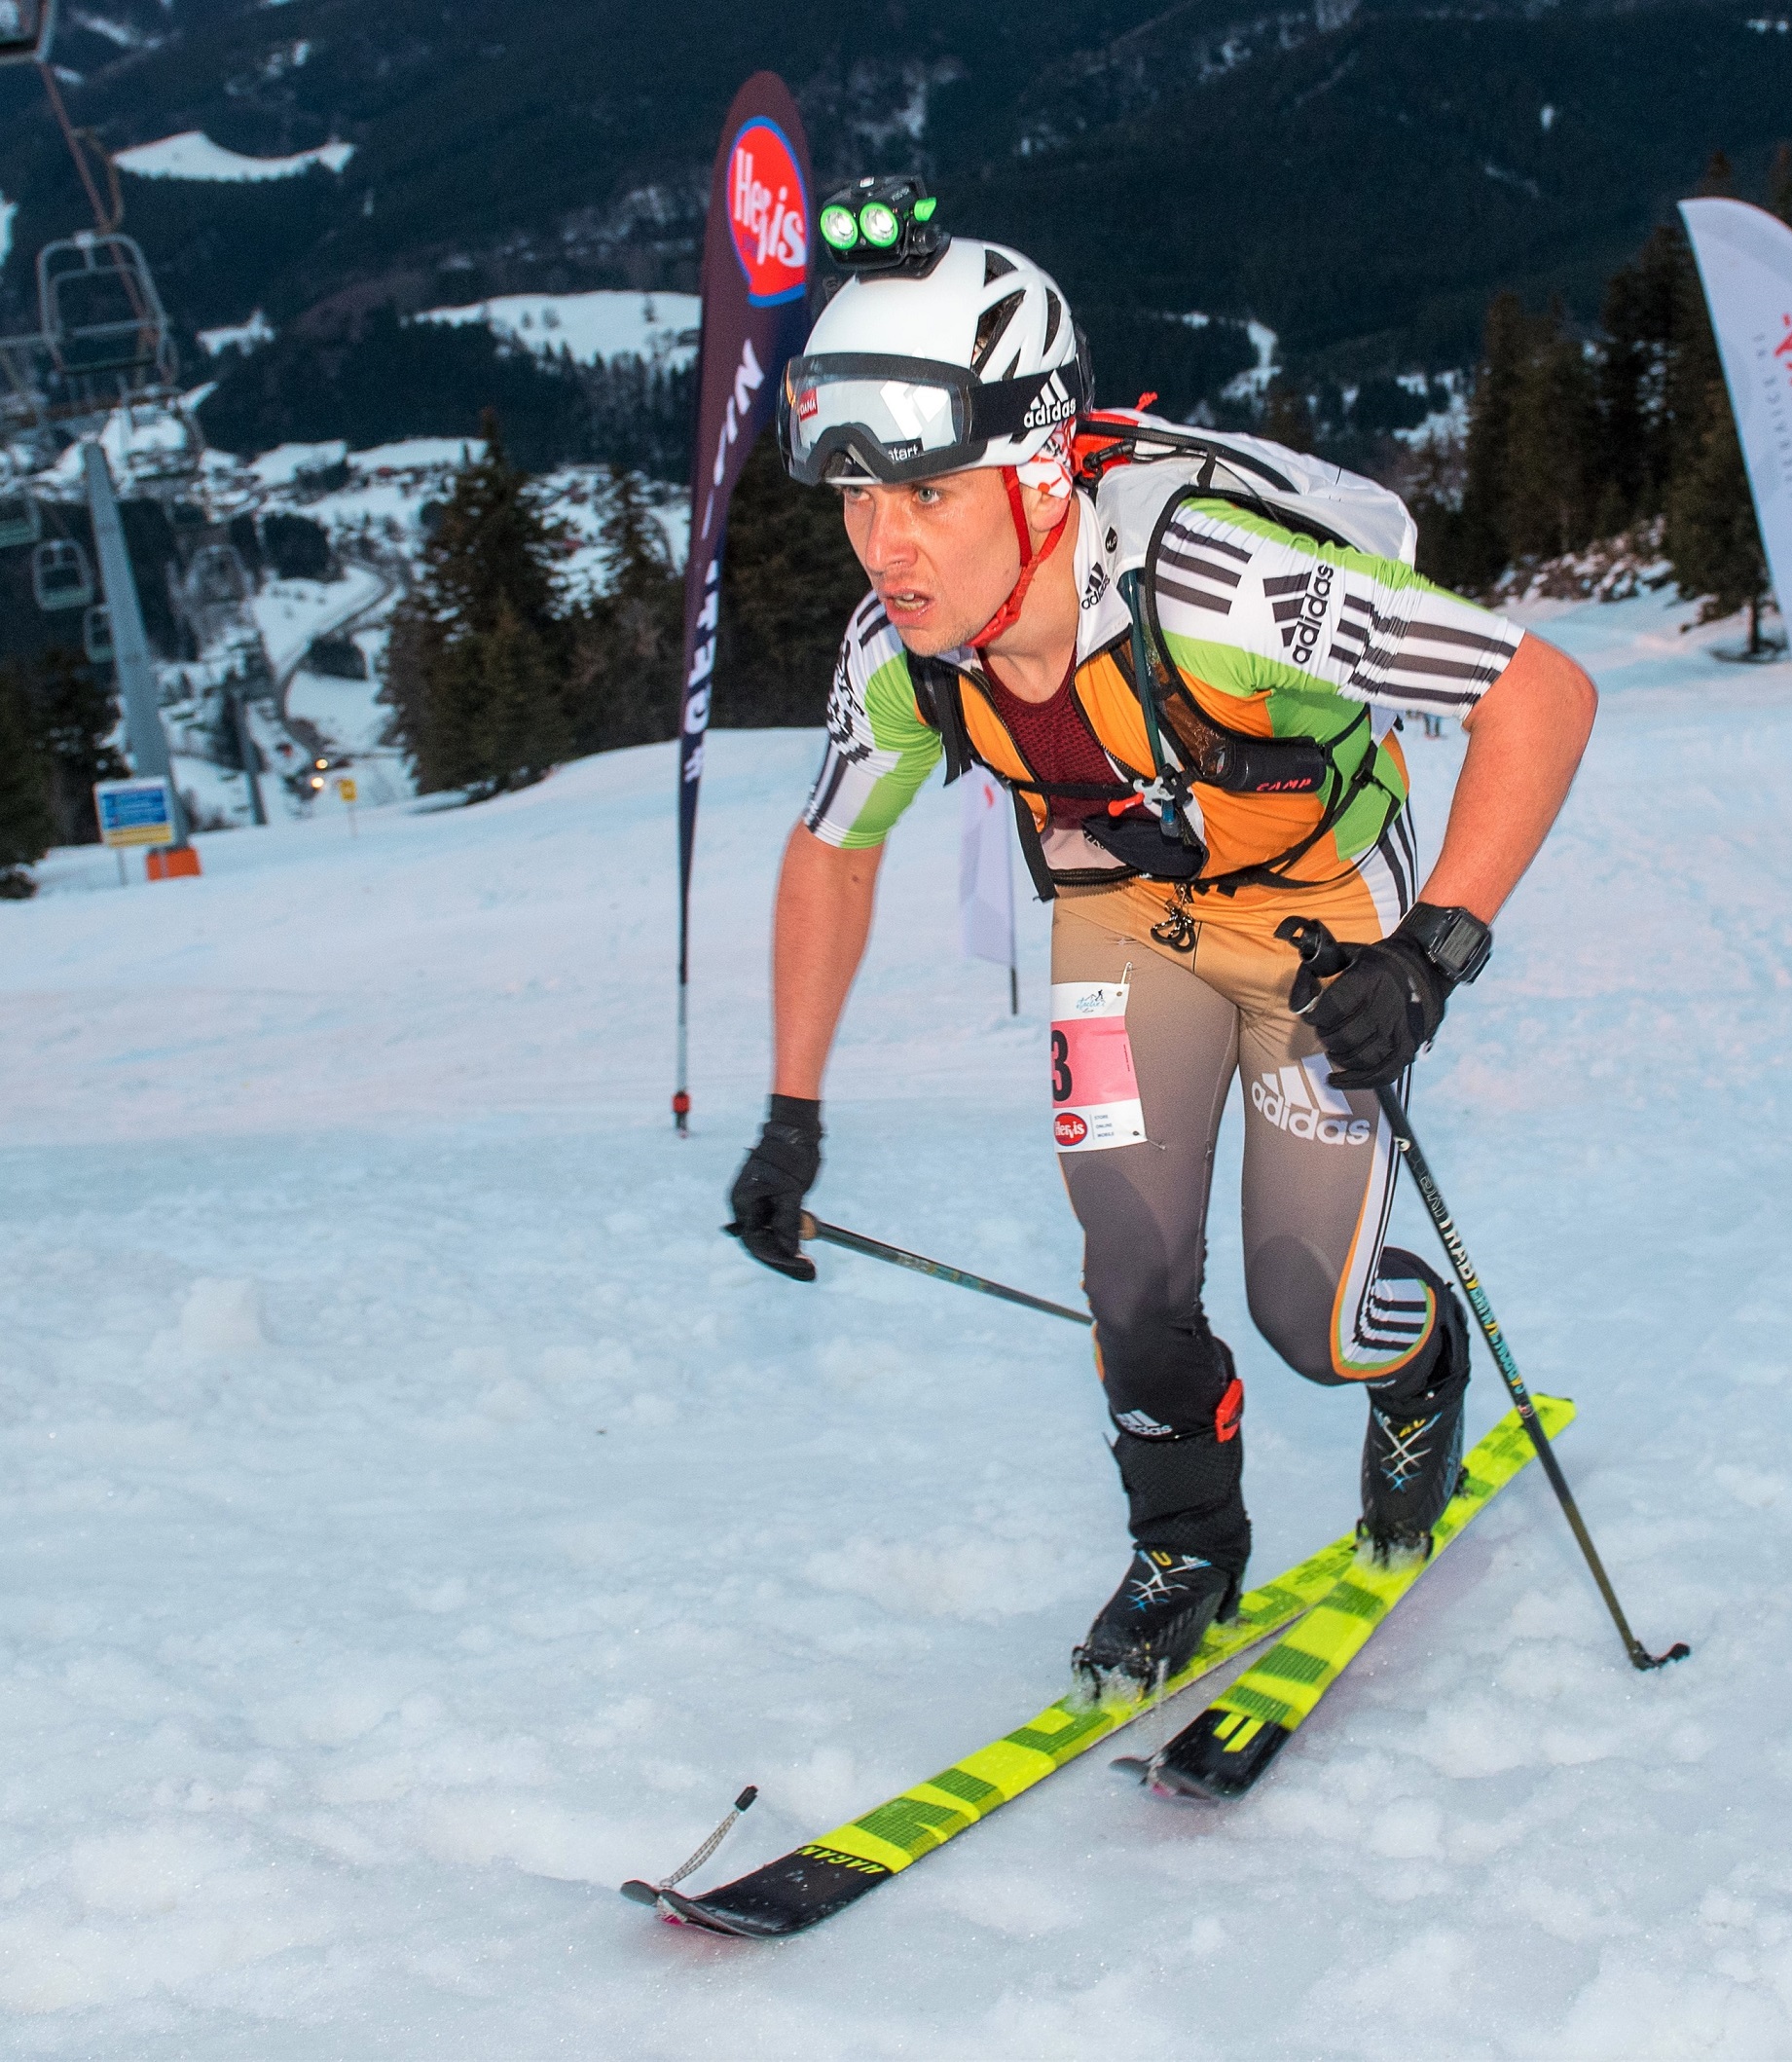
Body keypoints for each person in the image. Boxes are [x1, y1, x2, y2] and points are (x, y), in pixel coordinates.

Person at [729, 181, 1597, 1700]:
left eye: (924, 495)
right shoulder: (899, 652)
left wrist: (1429, 952)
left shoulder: (1217, 584)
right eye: (858, 501)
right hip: (1125, 913)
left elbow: (1538, 693)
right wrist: (790, 1115)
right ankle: (1183, 1547)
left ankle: (1415, 1359)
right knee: (1129, 1273)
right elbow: (830, 851)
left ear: (1042, 479)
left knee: (1303, 1313)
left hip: (1322, 919)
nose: (884, 543)